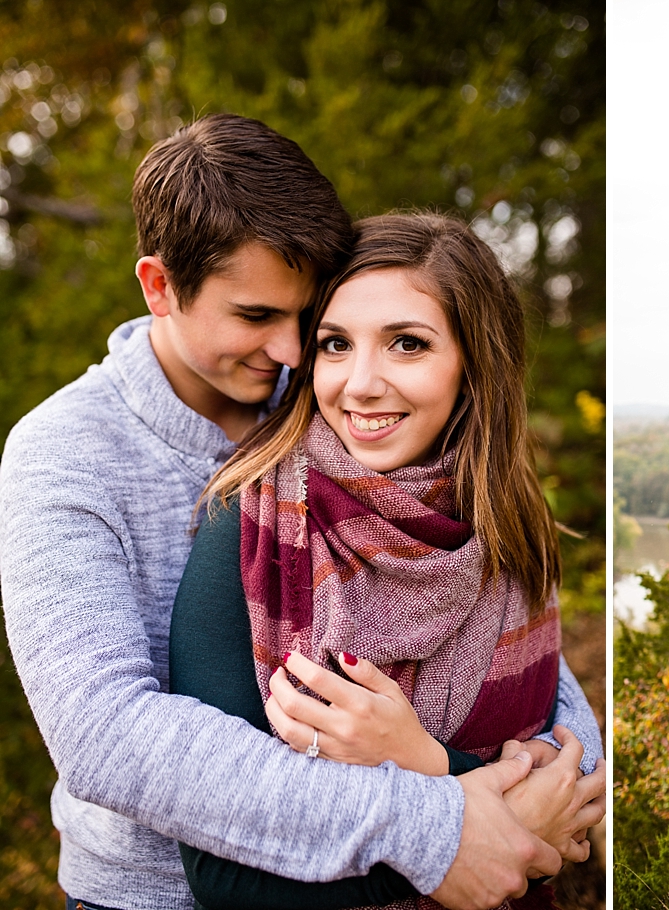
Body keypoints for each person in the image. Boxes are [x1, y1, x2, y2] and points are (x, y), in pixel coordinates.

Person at [0, 114, 603, 910]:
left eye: (306, 317)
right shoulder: (63, 452)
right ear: (159, 287)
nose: (291, 352)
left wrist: (573, 771)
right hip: (156, 897)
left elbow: (486, 605)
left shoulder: (334, 404)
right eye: (255, 317)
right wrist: (441, 819)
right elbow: (106, 735)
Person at [168, 211, 603, 907]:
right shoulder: (252, 528)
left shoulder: (512, 531)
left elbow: (565, 798)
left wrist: (420, 761)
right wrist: (473, 821)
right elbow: (221, 872)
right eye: (335, 345)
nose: (360, 384)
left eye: (407, 344)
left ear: (473, 362)